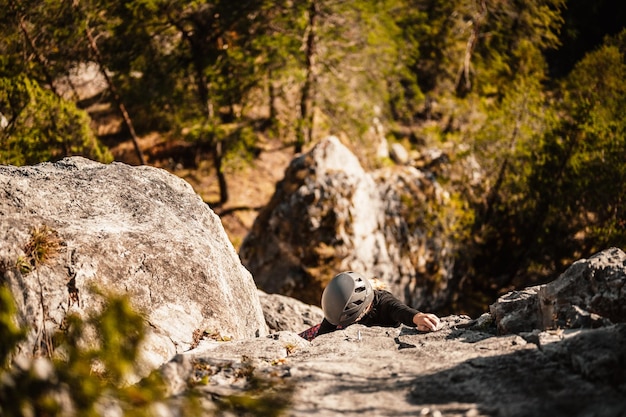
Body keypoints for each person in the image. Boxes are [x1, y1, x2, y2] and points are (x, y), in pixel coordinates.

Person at [299, 271, 441, 341]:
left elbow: (398, 309)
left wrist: (418, 317)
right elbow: (323, 333)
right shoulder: (337, 310)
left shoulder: (384, 303)